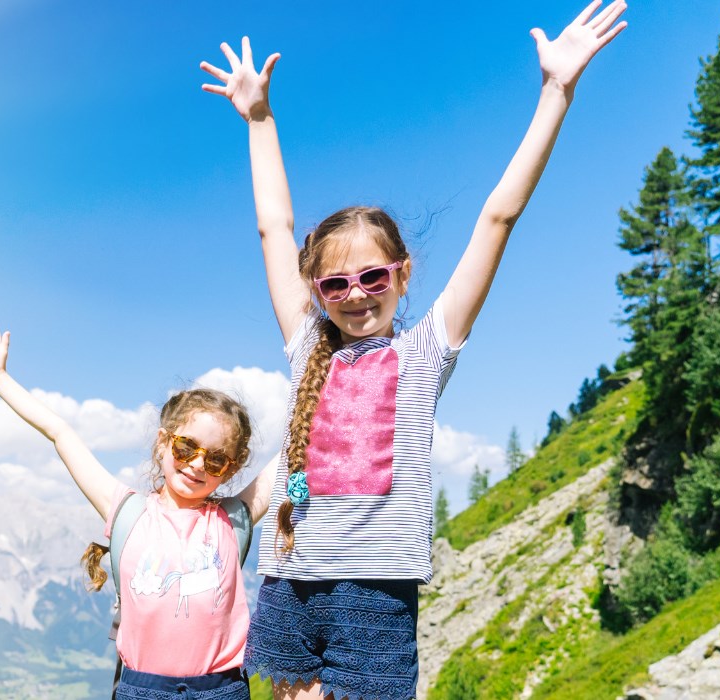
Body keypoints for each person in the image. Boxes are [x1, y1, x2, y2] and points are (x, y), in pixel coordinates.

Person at [198, 2, 628, 698]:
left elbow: (498, 216)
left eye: (373, 276)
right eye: (335, 283)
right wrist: (259, 121)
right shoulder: (308, 345)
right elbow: (275, 229)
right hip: (291, 579)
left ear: (402, 276)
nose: (356, 293)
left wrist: (556, 92)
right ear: (318, 290)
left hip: (378, 596)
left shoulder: (429, 348)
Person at [0, 323, 273, 700]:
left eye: (215, 460)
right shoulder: (128, 511)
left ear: (230, 468)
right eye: (186, 447)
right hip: (142, 689)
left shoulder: (235, 519)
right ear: (163, 442)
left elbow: (292, 449)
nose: (197, 464)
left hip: (222, 690)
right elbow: (61, 433)